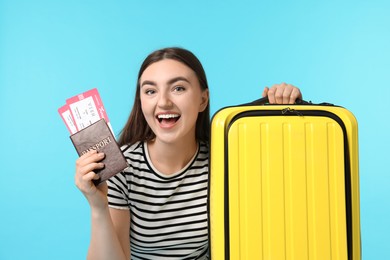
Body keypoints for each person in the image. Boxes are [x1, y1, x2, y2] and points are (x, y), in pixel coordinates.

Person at [75, 47, 302, 260]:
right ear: (141, 101)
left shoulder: (225, 161)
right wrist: (98, 207)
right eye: (150, 91)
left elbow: (283, 192)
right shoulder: (122, 168)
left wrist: (288, 108)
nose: (163, 102)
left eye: (178, 88)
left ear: (203, 99)